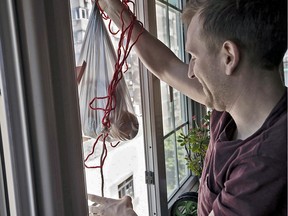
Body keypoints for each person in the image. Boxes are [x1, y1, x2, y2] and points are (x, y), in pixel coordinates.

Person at [88, 0, 287, 215]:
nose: (191, 72)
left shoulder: (265, 161)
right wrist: (113, 9)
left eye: (194, 57)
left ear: (228, 57)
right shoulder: (231, 105)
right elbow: (167, 67)